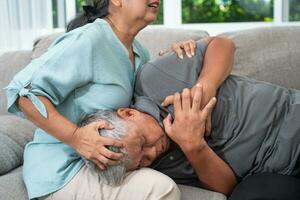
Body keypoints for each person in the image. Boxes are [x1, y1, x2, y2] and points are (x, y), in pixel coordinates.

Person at [4, 0, 200, 199]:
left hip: (109, 166)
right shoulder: (90, 39)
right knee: (160, 188)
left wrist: (179, 59)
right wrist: (76, 137)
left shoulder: (140, 52)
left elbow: (148, 107)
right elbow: (22, 92)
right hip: (62, 170)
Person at [81, 38, 300, 197]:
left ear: (129, 113)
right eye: (144, 160)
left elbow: (222, 44)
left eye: (142, 142)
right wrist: (193, 145)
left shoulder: (152, 80)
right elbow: (226, 188)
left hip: (291, 116)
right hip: (280, 170)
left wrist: (205, 86)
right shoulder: (160, 169)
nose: (153, 152)